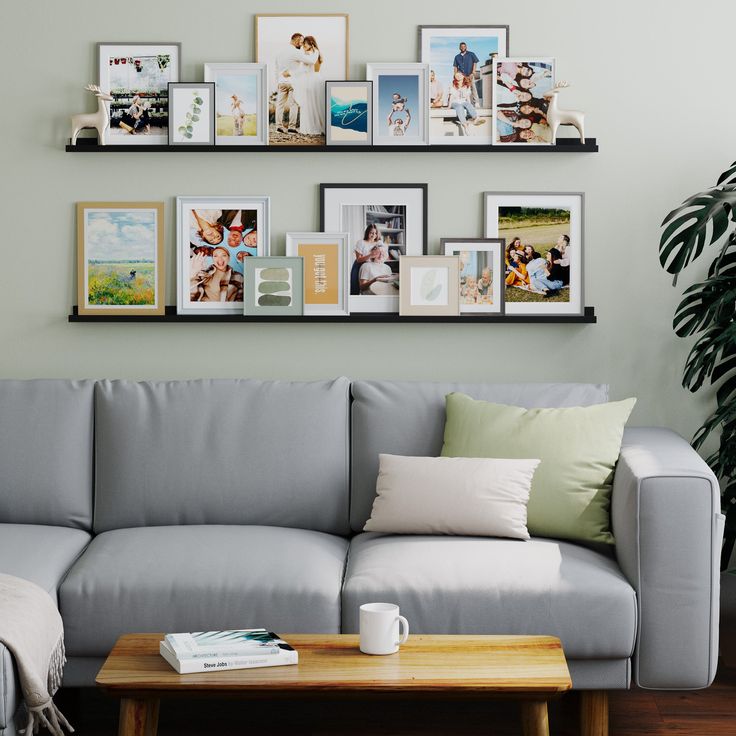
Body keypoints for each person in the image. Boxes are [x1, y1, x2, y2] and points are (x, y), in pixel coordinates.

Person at [275, 32, 312, 134]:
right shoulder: (296, 52)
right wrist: (309, 52)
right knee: (293, 105)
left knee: (280, 105)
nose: (301, 44)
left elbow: (277, 68)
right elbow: (309, 61)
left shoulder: (279, 51)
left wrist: (278, 80)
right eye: (300, 42)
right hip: (293, 82)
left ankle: (278, 127)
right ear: (296, 40)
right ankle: (291, 127)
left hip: (281, 81)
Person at [291, 35, 325, 135]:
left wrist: (291, 73)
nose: (303, 46)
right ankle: (318, 125)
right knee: (316, 105)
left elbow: (303, 70)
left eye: (304, 43)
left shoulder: (310, 54)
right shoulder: (317, 53)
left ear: (311, 44)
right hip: (317, 79)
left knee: (308, 105)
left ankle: (310, 127)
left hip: (311, 80)